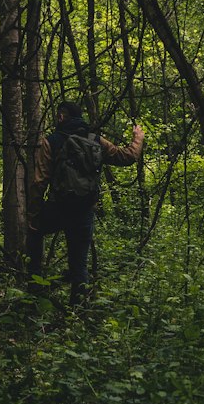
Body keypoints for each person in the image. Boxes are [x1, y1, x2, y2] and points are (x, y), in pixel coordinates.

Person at [27, 100, 145, 303]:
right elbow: (127, 157)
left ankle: (35, 290)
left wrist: (33, 216)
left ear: (62, 116)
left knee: (34, 234)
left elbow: (39, 182)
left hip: (58, 208)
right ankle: (78, 310)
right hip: (84, 209)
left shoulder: (51, 141)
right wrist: (138, 138)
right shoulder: (96, 141)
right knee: (79, 263)